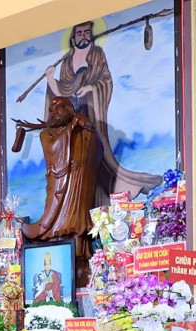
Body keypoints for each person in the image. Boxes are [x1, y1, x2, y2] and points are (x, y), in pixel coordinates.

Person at [45, 20, 161, 198]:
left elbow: (106, 79)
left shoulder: (96, 54)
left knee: (96, 158)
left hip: (91, 117)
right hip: (72, 124)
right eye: (79, 33)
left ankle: (106, 196)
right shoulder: (67, 61)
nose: (83, 37)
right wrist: (51, 80)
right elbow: (63, 92)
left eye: (86, 32)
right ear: (73, 38)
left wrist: (90, 88)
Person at [15, 96, 99, 284]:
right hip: (57, 183)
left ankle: (79, 258)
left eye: (58, 108)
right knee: (52, 217)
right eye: (51, 110)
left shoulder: (81, 130)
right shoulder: (47, 134)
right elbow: (54, 150)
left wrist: (84, 128)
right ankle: (53, 239)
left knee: (76, 222)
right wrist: (72, 127)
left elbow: (90, 152)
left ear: (69, 110)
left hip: (77, 185)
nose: (53, 112)